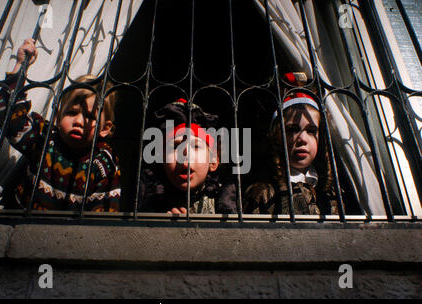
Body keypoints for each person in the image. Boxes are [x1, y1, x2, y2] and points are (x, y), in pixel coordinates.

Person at [0, 38, 121, 212]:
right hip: (17, 226)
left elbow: (104, 214)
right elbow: (9, 118)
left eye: (90, 117)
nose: (78, 121)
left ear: (105, 129)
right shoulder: (45, 137)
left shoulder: (104, 162)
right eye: (71, 113)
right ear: (56, 117)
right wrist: (21, 66)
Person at [243, 72, 339, 215]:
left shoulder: (333, 191)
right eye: (292, 130)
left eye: (311, 131)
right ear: (277, 135)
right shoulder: (263, 192)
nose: (302, 139)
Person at [139, 98, 237, 215]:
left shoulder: (228, 202)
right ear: (162, 160)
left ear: (213, 161)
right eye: (175, 147)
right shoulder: (150, 204)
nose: (184, 154)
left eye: (196, 146)